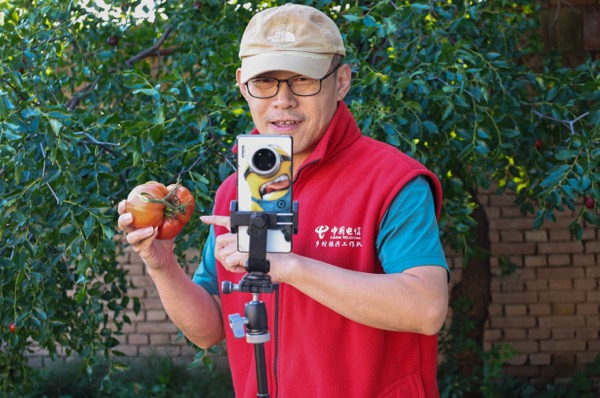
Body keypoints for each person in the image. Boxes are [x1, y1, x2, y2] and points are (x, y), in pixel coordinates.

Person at [118, 4, 449, 397]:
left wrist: (290, 267)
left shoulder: (392, 181)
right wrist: (163, 265)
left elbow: (426, 309)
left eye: (302, 80)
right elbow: (209, 329)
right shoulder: (236, 191)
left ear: (341, 81)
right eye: (265, 82)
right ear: (243, 85)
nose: (283, 100)